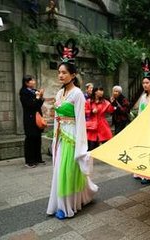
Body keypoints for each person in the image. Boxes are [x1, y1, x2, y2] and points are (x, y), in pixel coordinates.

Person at [47, 39, 98, 219]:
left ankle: (67, 206)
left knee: (67, 172)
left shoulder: (77, 94)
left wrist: (80, 147)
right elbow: (57, 117)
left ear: (73, 74)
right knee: (60, 172)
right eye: (59, 72)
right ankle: (63, 202)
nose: (60, 75)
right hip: (60, 138)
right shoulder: (60, 93)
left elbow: (81, 122)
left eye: (64, 72)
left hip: (72, 140)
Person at [135, 57, 150, 183]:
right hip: (144, 127)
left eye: (147, 83)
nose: (145, 85)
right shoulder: (143, 97)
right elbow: (140, 112)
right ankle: (141, 172)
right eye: (143, 83)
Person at [19, 75, 45, 168]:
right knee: (30, 139)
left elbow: (39, 104)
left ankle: (38, 158)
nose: (34, 82)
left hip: (37, 117)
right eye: (32, 80)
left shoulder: (34, 91)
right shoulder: (24, 92)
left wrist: (41, 97)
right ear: (26, 83)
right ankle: (29, 161)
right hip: (30, 119)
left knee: (38, 138)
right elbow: (29, 105)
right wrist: (38, 98)